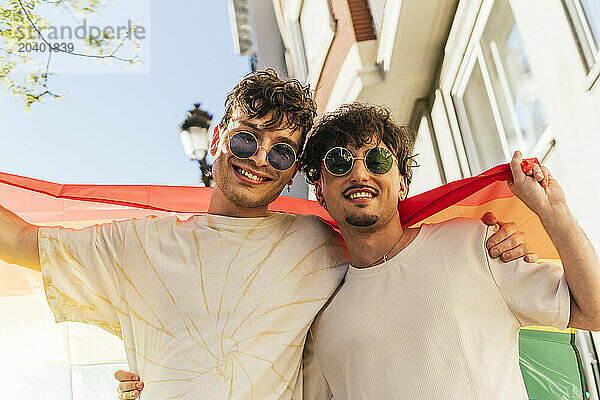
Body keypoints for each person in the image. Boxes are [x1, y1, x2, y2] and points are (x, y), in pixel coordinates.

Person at [0, 71, 529, 400]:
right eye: (247, 139)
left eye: (279, 151)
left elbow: (393, 245)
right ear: (216, 140)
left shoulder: (319, 242)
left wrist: (498, 239)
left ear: (294, 170)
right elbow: (21, 241)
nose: (258, 159)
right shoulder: (137, 244)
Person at [296, 103, 600, 399]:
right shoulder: (318, 315)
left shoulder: (476, 244)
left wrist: (554, 211)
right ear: (320, 190)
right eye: (339, 162)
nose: (360, 174)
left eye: (377, 161)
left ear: (402, 184)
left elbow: (593, 312)